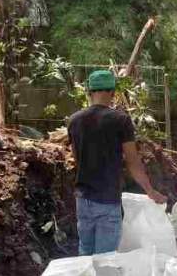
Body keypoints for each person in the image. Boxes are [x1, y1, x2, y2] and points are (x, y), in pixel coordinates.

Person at [68, 69, 166, 256]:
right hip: (107, 199)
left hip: (82, 198)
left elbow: (77, 159)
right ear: (113, 92)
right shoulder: (120, 120)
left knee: (85, 255)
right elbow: (133, 161)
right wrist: (150, 191)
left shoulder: (74, 121)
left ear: (89, 92)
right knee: (105, 260)